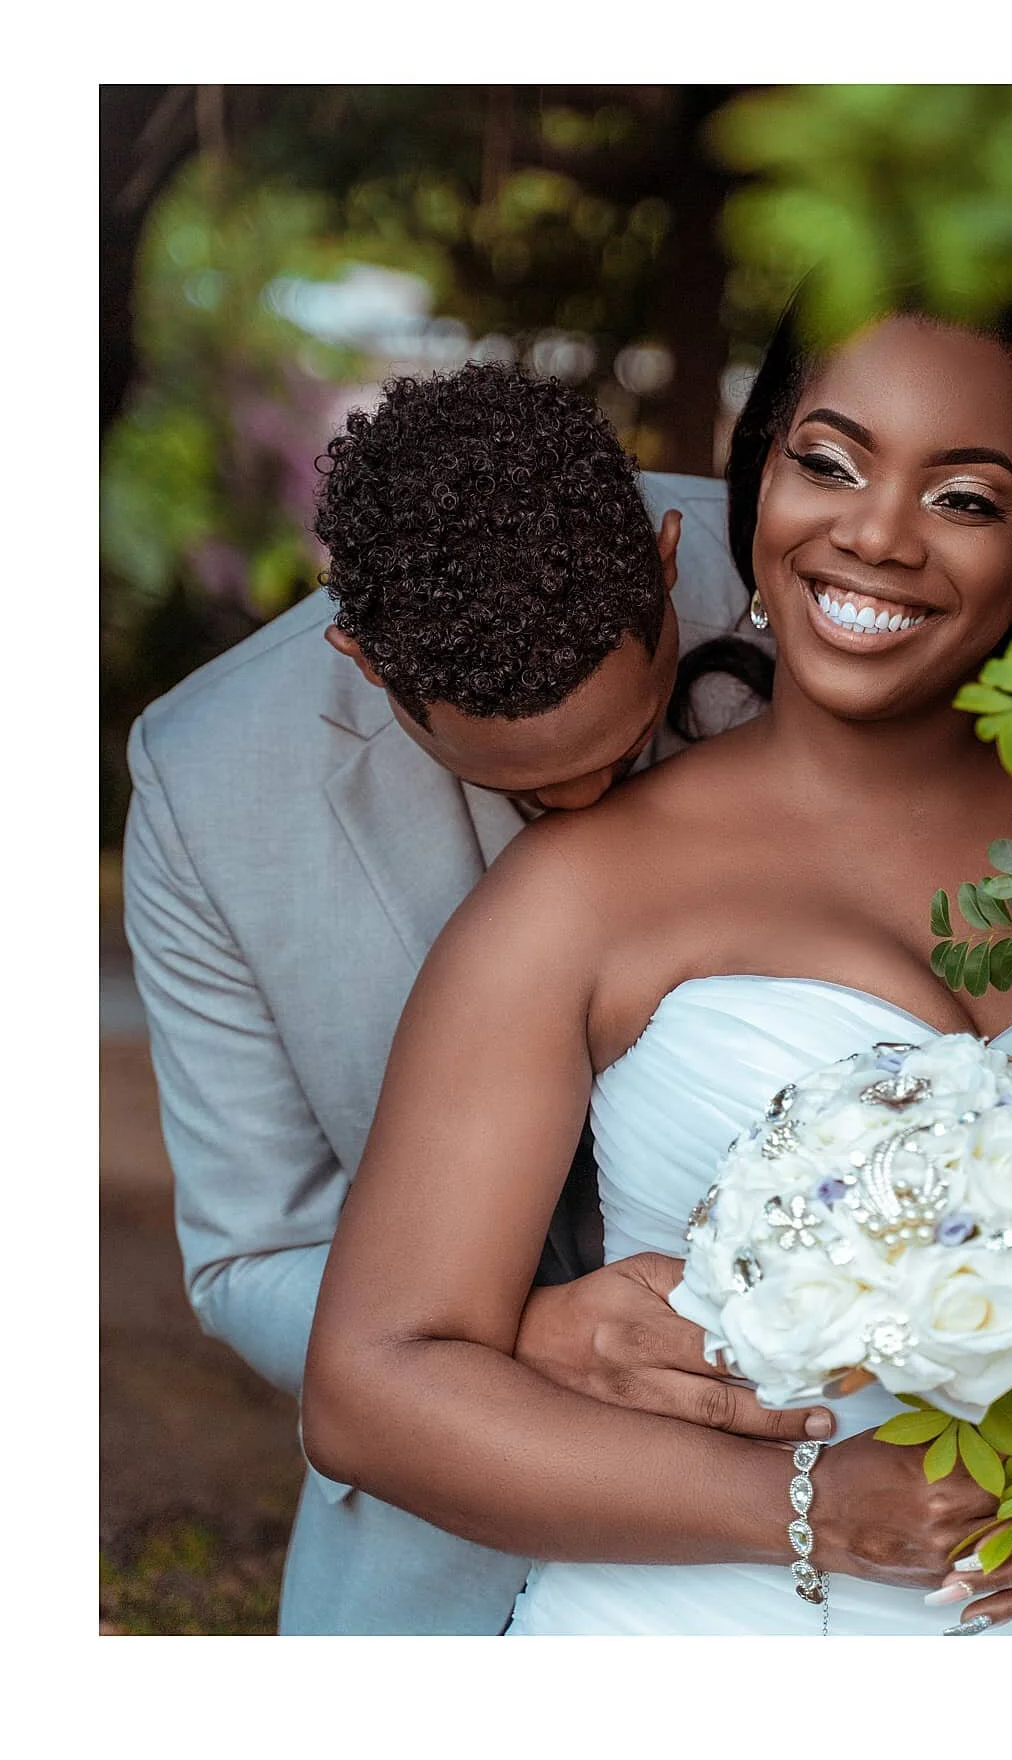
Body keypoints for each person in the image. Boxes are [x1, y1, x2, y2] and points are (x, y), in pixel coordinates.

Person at [302, 296, 1012, 1634]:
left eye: (966, 496)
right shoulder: (576, 898)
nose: (877, 532)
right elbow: (374, 1385)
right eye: (829, 463)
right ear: (759, 481)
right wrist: (806, 1508)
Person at [122, 361, 817, 1638]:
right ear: (364, 663)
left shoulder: (816, 572)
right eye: (531, 796)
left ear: (669, 563)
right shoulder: (207, 777)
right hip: (449, 1549)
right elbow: (250, 1255)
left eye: (624, 751)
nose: (592, 822)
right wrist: (517, 1335)